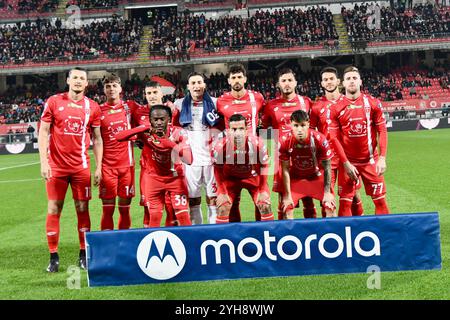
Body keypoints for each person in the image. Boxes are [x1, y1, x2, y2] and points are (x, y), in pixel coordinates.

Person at [39, 67, 103, 273]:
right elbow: (43, 131)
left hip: (80, 168)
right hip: (56, 168)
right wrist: (44, 162)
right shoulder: (54, 101)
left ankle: (83, 254)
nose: (77, 81)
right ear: (68, 80)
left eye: (81, 79)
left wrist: (99, 167)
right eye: (74, 77)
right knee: (53, 209)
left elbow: (97, 139)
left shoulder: (92, 107)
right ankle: (53, 256)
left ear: (86, 83)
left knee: (82, 210)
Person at [115, 104, 192, 227]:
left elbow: (189, 159)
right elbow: (118, 137)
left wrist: (170, 144)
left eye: (162, 119)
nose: (159, 122)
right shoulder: (145, 133)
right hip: (154, 179)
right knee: (155, 216)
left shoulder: (178, 133)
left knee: (182, 214)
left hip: (175, 178)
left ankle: (189, 244)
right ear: (150, 120)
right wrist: (141, 128)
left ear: (170, 119)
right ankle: (153, 245)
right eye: (155, 120)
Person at [329, 66, 390, 216]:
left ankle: (385, 236)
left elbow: (382, 130)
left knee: (380, 201)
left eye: (354, 78)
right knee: (345, 204)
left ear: (360, 81)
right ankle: (346, 238)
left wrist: (382, 158)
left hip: (370, 161)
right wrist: (345, 163)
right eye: (348, 78)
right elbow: (334, 138)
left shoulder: (373, 103)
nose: (351, 81)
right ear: (343, 83)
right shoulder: (336, 107)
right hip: (348, 164)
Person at [261, 67, 317, 219]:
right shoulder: (271, 105)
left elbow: (313, 128)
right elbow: (264, 131)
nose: (287, 84)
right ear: (278, 84)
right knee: (283, 202)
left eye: (290, 80)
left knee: (308, 199)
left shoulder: (306, 102)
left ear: (296, 83)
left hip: (304, 157)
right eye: (283, 81)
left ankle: (310, 234)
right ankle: (283, 237)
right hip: (282, 159)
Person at [310, 67, 363, 217]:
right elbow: (312, 133)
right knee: (327, 197)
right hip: (327, 158)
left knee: (353, 196)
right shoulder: (317, 106)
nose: (329, 82)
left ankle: (358, 226)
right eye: (325, 80)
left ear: (338, 81)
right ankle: (330, 232)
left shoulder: (349, 101)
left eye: (331, 79)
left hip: (349, 157)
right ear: (321, 83)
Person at [217, 63, 266, 222]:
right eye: (233, 78)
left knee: (262, 202)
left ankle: (262, 235)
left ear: (244, 78)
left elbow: (264, 118)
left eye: (239, 77)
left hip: (253, 156)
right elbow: (217, 124)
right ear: (229, 81)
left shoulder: (257, 98)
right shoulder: (221, 100)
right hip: (230, 157)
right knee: (231, 203)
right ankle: (234, 238)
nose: (237, 80)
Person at [172, 72, 221, 225]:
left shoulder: (215, 102)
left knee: (213, 198)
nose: (196, 86)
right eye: (193, 83)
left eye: (199, 82)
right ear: (188, 86)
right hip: (190, 159)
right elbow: (174, 128)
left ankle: (213, 232)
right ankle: (198, 231)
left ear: (204, 85)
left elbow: (222, 128)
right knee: (193, 199)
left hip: (211, 158)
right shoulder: (179, 104)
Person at [131, 81, 177, 228]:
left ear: (161, 93)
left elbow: (178, 133)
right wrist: (139, 140)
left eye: (155, 92)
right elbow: (134, 133)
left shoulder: (173, 110)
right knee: (148, 206)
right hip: (148, 168)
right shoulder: (138, 112)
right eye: (149, 93)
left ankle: (173, 237)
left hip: (170, 168)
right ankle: (149, 238)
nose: (152, 96)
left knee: (171, 207)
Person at [212, 114, 274, 223]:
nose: (237, 133)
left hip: (253, 178)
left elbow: (265, 165)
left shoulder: (257, 144)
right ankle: (226, 239)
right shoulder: (220, 146)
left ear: (246, 130)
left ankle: (266, 237)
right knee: (223, 208)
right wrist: (222, 191)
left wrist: (263, 189)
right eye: (234, 129)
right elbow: (217, 168)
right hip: (230, 180)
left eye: (241, 129)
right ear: (228, 131)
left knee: (264, 206)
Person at [280, 110, 336, 219]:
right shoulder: (284, 141)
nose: (299, 129)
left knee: (330, 206)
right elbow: (285, 169)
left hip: (317, 177)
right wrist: (287, 195)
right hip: (296, 178)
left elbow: (327, 167)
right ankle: (290, 236)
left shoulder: (319, 139)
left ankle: (330, 234)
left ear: (308, 124)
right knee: (286, 208)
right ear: (290, 124)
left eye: (303, 125)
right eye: (296, 125)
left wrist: (327, 192)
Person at [98, 74, 134, 231]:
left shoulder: (129, 108)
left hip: (127, 166)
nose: (111, 89)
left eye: (114, 85)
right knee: (108, 209)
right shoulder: (98, 111)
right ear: (104, 90)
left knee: (125, 209)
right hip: (107, 167)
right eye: (108, 86)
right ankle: (107, 245)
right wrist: (98, 168)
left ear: (120, 88)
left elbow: (150, 113)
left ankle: (123, 243)